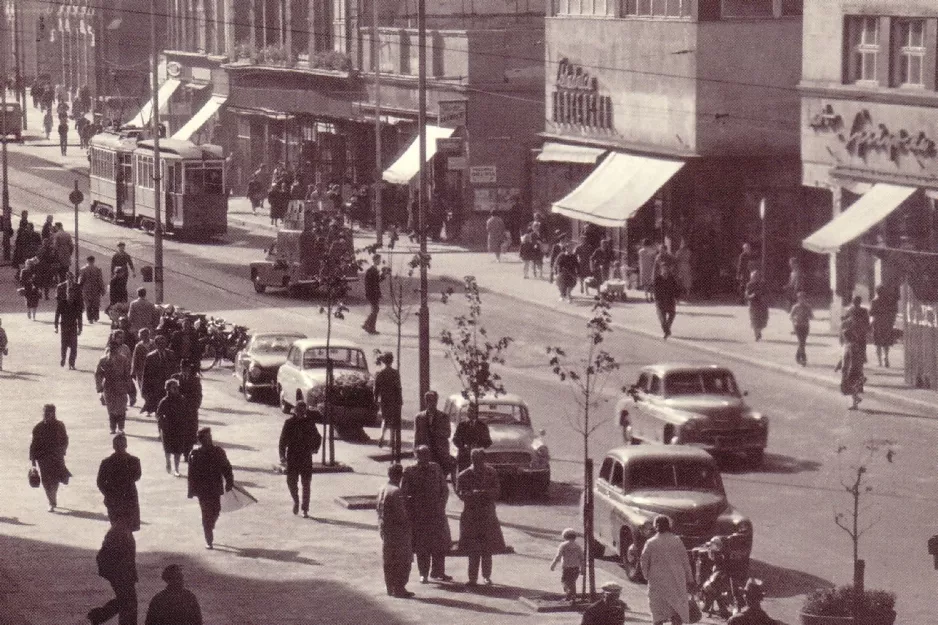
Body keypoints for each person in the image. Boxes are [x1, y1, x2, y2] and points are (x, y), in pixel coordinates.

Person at [400, 445, 452, 584]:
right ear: (415, 456)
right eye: (422, 455)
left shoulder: (435, 468)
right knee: (422, 545)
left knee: (440, 544)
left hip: (437, 513)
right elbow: (403, 493)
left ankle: (438, 571)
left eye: (427, 454)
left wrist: (441, 505)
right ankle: (423, 573)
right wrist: (411, 510)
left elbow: (444, 490)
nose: (425, 457)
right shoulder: (410, 471)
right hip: (419, 515)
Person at [457, 448, 506, 587]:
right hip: (471, 515)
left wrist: (484, 493)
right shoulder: (464, 475)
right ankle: (472, 578)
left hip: (487, 514)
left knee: (487, 548)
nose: (477, 462)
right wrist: (473, 494)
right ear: (471, 460)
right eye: (474, 460)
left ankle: (486, 576)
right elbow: (460, 493)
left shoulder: (491, 472)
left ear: (483, 459)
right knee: (472, 549)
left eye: (480, 460)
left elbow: (497, 491)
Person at [640, 515, 695, 625]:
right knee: (677, 609)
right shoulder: (676, 540)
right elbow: (685, 561)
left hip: (657, 581)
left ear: (656, 527)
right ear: (668, 526)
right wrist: (690, 579)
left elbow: (644, 562)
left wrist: (646, 576)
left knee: (658, 611)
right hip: (676, 580)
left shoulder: (650, 543)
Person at [187, 428, 234, 549]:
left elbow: (226, 467)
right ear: (201, 440)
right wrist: (191, 490)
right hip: (202, 490)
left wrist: (229, 481)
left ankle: (210, 525)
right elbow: (191, 474)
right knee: (206, 514)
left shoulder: (218, 451)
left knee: (216, 510)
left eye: (210, 437)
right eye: (207, 438)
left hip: (215, 487)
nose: (210, 440)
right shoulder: (195, 454)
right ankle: (209, 539)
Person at [87, 521, 138, 625]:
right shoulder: (120, 531)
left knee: (126, 601)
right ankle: (98, 616)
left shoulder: (122, 530)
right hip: (121, 573)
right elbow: (111, 557)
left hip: (121, 572)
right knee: (128, 603)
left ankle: (99, 616)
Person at [279, 401, 322, 517]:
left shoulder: (309, 423)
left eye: (303, 412)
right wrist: (282, 456)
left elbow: (318, 437)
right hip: (292, 457)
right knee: (291, 482)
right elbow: (282, 441)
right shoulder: (289, 423)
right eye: (299, 412)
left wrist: (315, 449)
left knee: (306, 484)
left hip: (305, 457)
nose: (301, 414)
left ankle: (305, 509)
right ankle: (296, 501)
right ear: (295, 411)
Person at [377, 463, 414, 598]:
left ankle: (390, 587)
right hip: (397, 531)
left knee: (388, 559)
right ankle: (399, 588)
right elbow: (401, 514)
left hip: (385, 529)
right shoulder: (396, 492)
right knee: (403, 560)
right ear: (400, 476)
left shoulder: (382, 488)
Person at [29, 404, 70, 512]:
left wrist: (63, 450)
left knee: (56, 479)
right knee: (46, 481)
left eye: (48, 412)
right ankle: (51, 502)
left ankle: (53, 498)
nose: (45, 414)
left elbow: (65, 439)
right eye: (44, 412)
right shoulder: (38, 428)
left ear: (53, 413)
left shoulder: (60, 426)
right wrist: (33, 464)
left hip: (57, 456)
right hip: (43, 458)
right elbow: (33, 446)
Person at [96, 433, 142, 532]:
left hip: (114, 497)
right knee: (128, 527)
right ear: (126, 446)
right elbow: (137, 476)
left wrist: (107, 493)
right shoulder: (134, 461)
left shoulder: (106, 462)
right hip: (129, 496)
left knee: (116, 526)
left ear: (113, 447)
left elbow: (100, 482)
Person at [96, 340, 136, 434]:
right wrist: (100, 389)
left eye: (115, 347)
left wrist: (130, 390)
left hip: (121, 385)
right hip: (108, 386)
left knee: (121, 408)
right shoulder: (104, 359)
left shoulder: (123, 359)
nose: (113, 349)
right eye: (111, 347)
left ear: (118, 348)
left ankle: (121, 427)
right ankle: (113, 427)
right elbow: (98, 374)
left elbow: (127, 375)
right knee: (111, 408)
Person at [171, 359, 203, 459]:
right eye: (182, 368)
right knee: (179, 433)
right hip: (178, 410)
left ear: (189, 369)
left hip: (190, 411)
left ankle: (187, 453)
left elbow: (198, 395)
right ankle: (181, 451)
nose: (184, 370)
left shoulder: (195, 380)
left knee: (190, 433)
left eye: (186, 368)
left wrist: (194, 407)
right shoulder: (175, 378)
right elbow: (170, 393)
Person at [413, 390, 451, 472]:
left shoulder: (443, 417)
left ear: (436, 401)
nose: (430, 403)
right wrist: (416, 452)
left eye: (432, 400)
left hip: (440, 454)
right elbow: (417, 436)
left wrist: (436, 432)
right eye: (428, 400)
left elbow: (448, 433)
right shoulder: (419, 417)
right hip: (425, 454)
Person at [157, 380, 189, 476]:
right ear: (168, 389)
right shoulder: (164, 401)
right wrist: (162, 425)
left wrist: (186, 424)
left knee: (178, 450)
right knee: (168, 449)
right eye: (173, 387)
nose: (176, 389)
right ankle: (168, 462)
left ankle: (176, 469)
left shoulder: (182, 399)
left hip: (179, 427)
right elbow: (159, 414)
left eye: (177, 387)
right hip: (168, 428)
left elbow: (186, 412)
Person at [374, 352, 403, 455]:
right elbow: (398, 387)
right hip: (394, 399)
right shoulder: (395, 373)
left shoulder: (379, 373)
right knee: (393, 420)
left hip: (384, 399)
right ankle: (391, 440)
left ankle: (382, 436)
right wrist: (400, 400)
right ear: (392, 361)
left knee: (385, 419)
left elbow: (376, 388)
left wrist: (375, 399)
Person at [141, 335, 177, 415]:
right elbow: (146, 375)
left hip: (169, 385)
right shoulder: (150, 357)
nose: (162, 345)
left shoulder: (171, 354)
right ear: (156, 344)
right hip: (156, 386)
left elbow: (175, 369)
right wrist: (144, 390)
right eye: (160, 343)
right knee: (159, 408)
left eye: (164, 343)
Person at [54, 272, 83, 369]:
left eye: (72, 277)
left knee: (74, 346)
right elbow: (57, 313)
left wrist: (80, 327)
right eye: (69, 277)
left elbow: (79, 315)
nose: (71, 279)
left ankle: (72, 363)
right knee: (64, 344)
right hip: (64, 324)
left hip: (73, 324)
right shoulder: (60, 287)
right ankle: (63, 358)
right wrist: (56, 326)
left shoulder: (77, 288)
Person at [452, 404, 492, 473]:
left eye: (472, 411)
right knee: (463, 476)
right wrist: (463, 446)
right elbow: (455, 439)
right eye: (469, 411)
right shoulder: (462, 425)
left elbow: (488, 441)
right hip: (464, 456)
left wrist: (479, 447)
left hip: (477, 457)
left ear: (476, 413)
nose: (470, 413)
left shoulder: (482, 426)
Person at [550, 528, 584, 602]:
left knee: (564, 581)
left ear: (564, 536)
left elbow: (558, 556)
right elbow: (581, 558)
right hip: (576, 567)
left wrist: (553, 564)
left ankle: (569, 593)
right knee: (572, 582)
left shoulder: (563, 545)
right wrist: (583, 568)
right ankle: (572, 596)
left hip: (567, 567)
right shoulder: (578, 546)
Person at [841, 316, 866, 410]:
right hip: (849, 368)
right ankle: (856, 399)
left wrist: (850, 369)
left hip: (852, 369)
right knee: (852, 387)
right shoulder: (848, 345)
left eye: (844, 337)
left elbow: (853, 358)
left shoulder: (852, 346)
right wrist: (839, 365)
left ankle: (854, 403)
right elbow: (843, 357)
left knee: (852, 386)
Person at [870, 286, 898, 368]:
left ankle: (879, 362)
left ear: (876, 292)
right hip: (887, 323)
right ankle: (886, 356)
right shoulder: (888, 301)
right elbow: (893, 312)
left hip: (877, 323)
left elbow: (871, 313)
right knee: (886, 342)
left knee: (877, 343)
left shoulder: (874, 301)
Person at [653, 264, 682, 340]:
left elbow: (676, 288)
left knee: (672, 314)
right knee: (662, 318)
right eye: (663, 269)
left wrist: (677, 297)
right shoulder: (657, 279)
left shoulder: (671, 278)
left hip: (670, 299)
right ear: (661, 270)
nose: (665, 271)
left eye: (666, 269)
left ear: (668, 270)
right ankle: (666, 330)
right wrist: (656, 299)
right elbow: (655, 290)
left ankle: (667, 328)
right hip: (660, 300)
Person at [79, 256, 107, 324]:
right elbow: (100, 280)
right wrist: (102, 289)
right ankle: (96, 317)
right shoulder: (97, 269)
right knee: (95, 303)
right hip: (95, 288)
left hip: (86, 288)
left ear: (87, 261)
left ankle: (89, 318)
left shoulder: (83, 269)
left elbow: (81, 280)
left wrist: (79, 288)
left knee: (88, 304)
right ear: (93, 261)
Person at [789, 292, 813, 367]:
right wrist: (795, 318)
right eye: (800, 298)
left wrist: (809, 316)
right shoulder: (795, 307)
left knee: (803, 342)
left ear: (805, 299)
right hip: (798, 326)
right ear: (798, 299)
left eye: (803, 298)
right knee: (801, 342)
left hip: (805, 326)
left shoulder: (808, 307)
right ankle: (803, 358)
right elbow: (790, 316)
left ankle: (797, 356)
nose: (801, 300)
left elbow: (811, 316)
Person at [745, 270, 769, 342]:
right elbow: (747, 294)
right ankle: (757, 334)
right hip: (753, 304)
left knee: (763, 320)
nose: (755, 278)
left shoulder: (763, 284)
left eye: (757, 276)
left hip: (762, 304)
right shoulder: (749, 285)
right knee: (754, 320)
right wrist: (751, 296)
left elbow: (767, 293)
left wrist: (764, 298)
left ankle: (758, 331)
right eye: (753, 277)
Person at [362, 254, 383, 335]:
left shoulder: (374, 270)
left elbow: (376, 282)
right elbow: (369, 284)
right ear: (374, 260)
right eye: (378, 260)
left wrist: (383, 276)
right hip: (372, 294)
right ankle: (368, 326)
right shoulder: (371, 270)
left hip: (374, 293)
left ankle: (369, 326)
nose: (379, 261)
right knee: (375, 309)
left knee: (375, 310)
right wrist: (370, 293)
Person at [131, 328, 153, 393]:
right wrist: (133, 371)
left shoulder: (153, 343)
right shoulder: (138, 346)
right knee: (142, 387)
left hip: (153, 369)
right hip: (141, 370)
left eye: (146, 335)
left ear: (149, 335)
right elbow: (135, 358)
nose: (144, 337)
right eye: (142, 335)